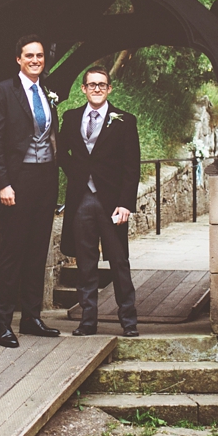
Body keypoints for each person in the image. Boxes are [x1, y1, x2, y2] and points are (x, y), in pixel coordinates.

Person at [0, 34, 62, 348]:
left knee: (37, 251)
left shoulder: (46, 92)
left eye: (39, 56)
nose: (35, 61)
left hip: (45, 180)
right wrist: (3, 182)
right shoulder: (3, 91)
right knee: (12, 253)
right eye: (29, 56)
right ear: (18, 59)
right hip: (17, 181)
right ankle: (2, 323)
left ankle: (31, 317)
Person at [58, 65, 139, 337]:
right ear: (83, 88)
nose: (96, 89)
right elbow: (60, 153)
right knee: (86, 262)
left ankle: (128, 321)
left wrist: (126, 203)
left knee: (119, 261)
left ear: (109, 88)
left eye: (102, 84)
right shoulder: (70, 118)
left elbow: (132, 166)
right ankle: (87, 321)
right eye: (92, 84)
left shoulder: (125, 120)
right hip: (82, 199)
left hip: (112, 202)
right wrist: (78, 174)